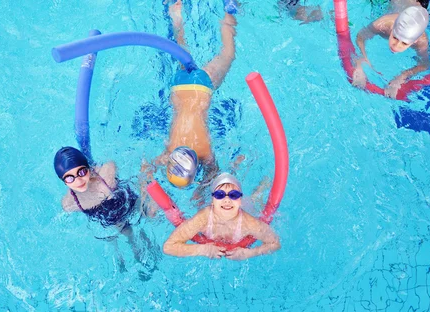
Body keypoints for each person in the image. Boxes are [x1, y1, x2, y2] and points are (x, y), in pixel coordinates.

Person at [142, 0, 238, 195]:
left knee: (228, 54)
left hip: (201, 88)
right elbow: (145, 168)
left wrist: (199, 193)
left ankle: (230, 13)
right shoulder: (168, 152)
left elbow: (214, 174)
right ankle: (176, 15)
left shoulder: (204, 152)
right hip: (178, 87)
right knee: (182, 52)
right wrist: (146, 189)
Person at [54, 146, 157, 278]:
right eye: (69, 178)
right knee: (118, 241)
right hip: (109, 223)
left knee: (146, 222)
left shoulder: (106, 174)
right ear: (63, 181)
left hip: (129, 205)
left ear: (88, 169)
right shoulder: (69, 203)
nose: (78, 181)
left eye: (81, 172)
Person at [163, 173, 280, 260]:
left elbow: (275, 243)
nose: (227, 200)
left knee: (254, 201)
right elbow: (169, 246)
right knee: (197, 199)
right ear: (212, 200)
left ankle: (261, 188)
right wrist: (203, 249)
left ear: (240, 200)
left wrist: (249, 253)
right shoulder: (203, 218)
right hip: (206, 212)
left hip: (247, 209)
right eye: (220, 195)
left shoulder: (248, 223)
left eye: (234, 195)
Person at [353, 1, 430, 98]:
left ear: (414, 41)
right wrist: (360, 61)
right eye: (395, 37)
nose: (396, 46)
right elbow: (360, 37)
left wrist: (401, 77)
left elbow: (424, 64)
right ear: (392, 28)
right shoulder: (383, 24)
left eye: (404, 43)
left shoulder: (421, 41)